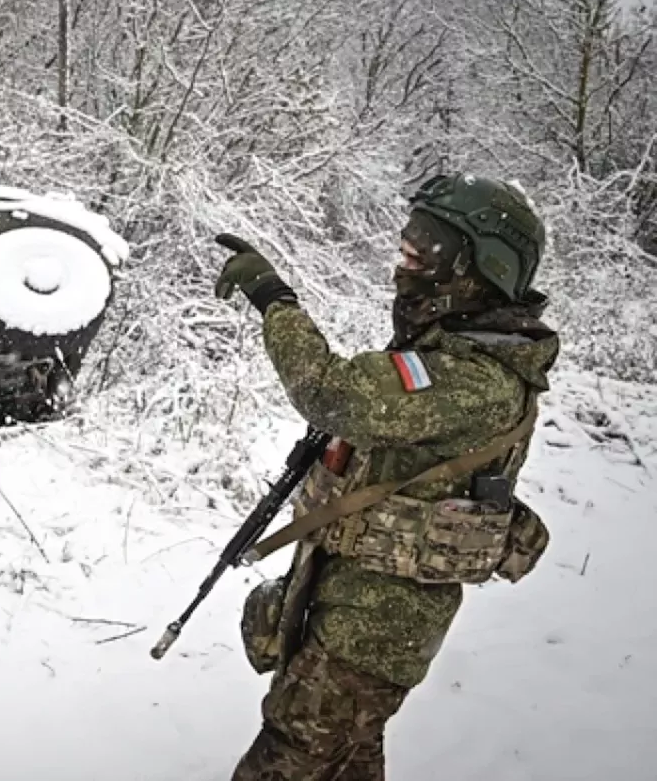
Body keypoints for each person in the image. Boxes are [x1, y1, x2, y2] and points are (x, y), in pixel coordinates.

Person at [213, 172, 560, 781]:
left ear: (479, 266)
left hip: (372, 630)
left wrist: (274, 298)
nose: (406, 251)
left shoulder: (474, 377)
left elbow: (331, 393)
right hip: (355, 606)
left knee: (288, 760)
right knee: (349, 759)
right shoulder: (454, 350)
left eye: (427, 242)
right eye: (412, 234)